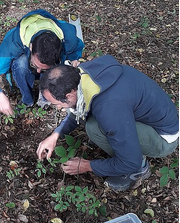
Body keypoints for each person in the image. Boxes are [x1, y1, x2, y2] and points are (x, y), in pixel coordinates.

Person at [36, 55, 179, 191]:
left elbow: (130, 161)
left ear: (69, 95)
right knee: (98, 123)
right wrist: (56, 134)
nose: (58, 107)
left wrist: (87, 166)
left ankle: (139, 170)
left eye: (56, 104)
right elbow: (78, 107)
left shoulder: (109, 108)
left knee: (94, 128)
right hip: (150, 118)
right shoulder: (84, 75)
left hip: (164, 138)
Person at [0, 9, 84, 115]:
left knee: (56, 71)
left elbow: (77, 50)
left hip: (53, 61)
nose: (38, 71)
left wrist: (73, 60)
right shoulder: (13, 42)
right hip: (23, 64)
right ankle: (27, 99)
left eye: (44, 69)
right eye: (35, 65)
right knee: (20, 63)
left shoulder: (68, 37)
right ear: (31, 47)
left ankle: (47, 98)